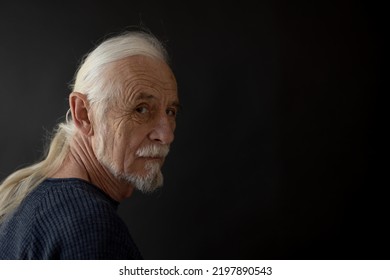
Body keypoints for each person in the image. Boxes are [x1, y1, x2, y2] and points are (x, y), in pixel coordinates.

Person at [0, 30, 180, 259]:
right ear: (84, 114)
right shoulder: (89, 227)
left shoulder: (29, 198)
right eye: (141, 109)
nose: (166, 136)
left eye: (171, 111)